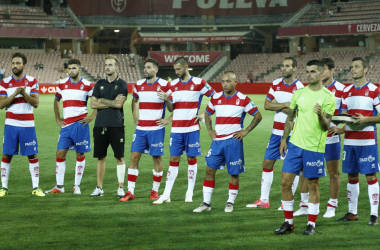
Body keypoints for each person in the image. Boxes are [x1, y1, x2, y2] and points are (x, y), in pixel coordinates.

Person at [274, 60, 335, 235]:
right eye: (307, 71)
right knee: (285, 183)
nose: (309, 74)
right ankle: (288, 222)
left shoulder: (328, 97)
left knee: (313, 185)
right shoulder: (298, 93)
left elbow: (326, 126)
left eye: (313, 71)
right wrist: (284, 139)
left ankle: (311, 224)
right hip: (294, 145)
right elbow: (290, 118)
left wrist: (320, 115)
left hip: (314, 148)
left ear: (321, 74)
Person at [193, 71, 262, 213]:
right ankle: (206, 203)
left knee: (234, 173)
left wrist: (245, 131)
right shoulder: (215, 98)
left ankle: (230, 202)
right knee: (209, 170)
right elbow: (207, 114)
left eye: (228, 81)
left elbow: (258, 116)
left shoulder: (243, 99)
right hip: (217, 141)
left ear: (235, 82)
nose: (225, 84)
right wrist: (210, 130)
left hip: (233, 141)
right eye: (223, 81)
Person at [154, 57, 215, 204]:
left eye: (179, 69)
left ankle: (190, 192)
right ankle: (166, 194)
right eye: (175, 69)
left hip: (192, 128)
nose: (176, 72)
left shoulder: (199, 82)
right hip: (176, 130)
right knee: (173, 160)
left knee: (191, 159)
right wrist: (167, 99)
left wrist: (204, 114)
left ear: (186, 67)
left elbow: (216, 97)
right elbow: (171, 108)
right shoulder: (172, 85)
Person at [246, 57, 303, 209]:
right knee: (267, 163)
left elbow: (296, 111)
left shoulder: (300, 87)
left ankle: (286, 202)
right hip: (276, 132)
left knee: (291, 167)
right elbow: (266, 105)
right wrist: (285, 105)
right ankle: (264, 200)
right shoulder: (276, 83)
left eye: (288, 66)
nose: (284, 68)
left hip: (292, 133)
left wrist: (277, 106)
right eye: (282, 66)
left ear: (295, 68)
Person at [294, 58, 345, 218]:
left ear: (330, 71)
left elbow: (347, 113)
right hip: (310, 139)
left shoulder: (342, 90)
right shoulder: (308, 89)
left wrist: (341, 129)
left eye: (322, 70)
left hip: (330, 138)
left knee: (333, 173)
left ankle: (332, 206)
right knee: (305, 173)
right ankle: (303, 205)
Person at [335, 57, 380, 226]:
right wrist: (341, 128)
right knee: (352, 176)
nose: (352, 70)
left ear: (365, 70)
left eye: (356, 67)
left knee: (370, 176)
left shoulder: (374, 90)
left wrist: (366, 119)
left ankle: (374, 215)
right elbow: (346, 116)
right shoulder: (346, 91)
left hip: (367, 142)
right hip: (350, 142)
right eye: (351, 66)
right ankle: (352, 212)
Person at [119, 59, 171, 202]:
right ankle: (130, 192)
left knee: (157, 159)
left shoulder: (165, 85)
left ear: (156, 70)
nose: (145, 70)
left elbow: (173, 106)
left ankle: (154, 191)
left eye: (148, 67)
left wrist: (168, 118)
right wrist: (135, 116)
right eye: (145, 68)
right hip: (141, 129)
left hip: (156, 129)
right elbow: (134, 101)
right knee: (134, 158)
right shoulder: (139, 85)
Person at [45, 59, 97, 195]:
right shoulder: (62, 84)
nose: (72, 70)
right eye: (70, 68)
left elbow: (96, 102)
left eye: (74, 68)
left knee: (80, 154)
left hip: (80, 124)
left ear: (80, 69)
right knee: (60, 153)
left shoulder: (87, 85)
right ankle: (60, 186)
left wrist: (92, 116)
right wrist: (57, 118)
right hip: (66, 125)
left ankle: (76, 186)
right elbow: (56, 100)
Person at [0, 52, 45, 197]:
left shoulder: (32, 81)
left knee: (32, 155)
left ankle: (36, 187)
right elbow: (1, 104)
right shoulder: (5, 82)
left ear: (24, 65)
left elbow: (36, 103)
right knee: (6, 155)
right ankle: (4, 188)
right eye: (13, 63)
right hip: (11, 125)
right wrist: (14, 94)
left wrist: (24, 94)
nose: (15, 66)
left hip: (27, 125)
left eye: (18, 63)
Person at [90, 55, 128, 198]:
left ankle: (120, 188)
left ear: (116, 67)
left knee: (120, 157)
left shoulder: (123, 84)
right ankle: (99, 188)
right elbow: (93, 104)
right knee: (101, 157)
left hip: (116, 125)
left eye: (110, 65)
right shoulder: (99, 83)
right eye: (106, 65)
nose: (107, 67)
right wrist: (111, 102)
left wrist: (102, 100)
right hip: (100, 125)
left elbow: (119, 104)